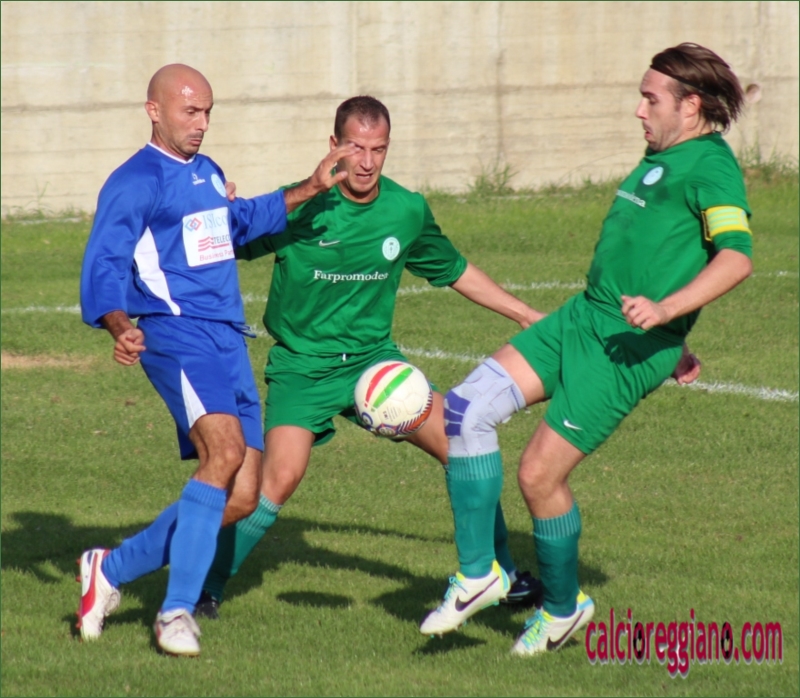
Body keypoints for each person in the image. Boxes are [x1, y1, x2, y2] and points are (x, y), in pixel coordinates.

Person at [420, 42, 752, 655]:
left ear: (691, 106)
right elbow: (659, 250)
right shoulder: (663, 155)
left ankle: (562, 609)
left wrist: (667, 318)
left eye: (651, 99)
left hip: (627, 345)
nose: (639, 110)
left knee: (538, 475)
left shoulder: (712, 167)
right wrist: (673, 328)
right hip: (584, 316)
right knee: (465, 408)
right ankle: (480, 573)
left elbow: (736, 257)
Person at [195, 95, 546, 618]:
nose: (365, 162)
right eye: (354, 147)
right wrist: (216, 209)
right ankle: (205, 590)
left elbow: (455, 269)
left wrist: (523, 314)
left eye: (377, 149)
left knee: (462, 443)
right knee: (277, 480)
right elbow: (220, 242)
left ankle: (500, 574)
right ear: (333, 145)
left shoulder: (406, 210)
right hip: (303, 367)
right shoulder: (301, 204)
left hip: (374, 364)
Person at [77, 63, 358, 657]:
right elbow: (104, 260)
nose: (202, 123)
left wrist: (308, 188)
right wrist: (119, 325)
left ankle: (110, 568)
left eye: (208, 111)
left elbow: (235, 225)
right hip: (175, 332)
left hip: (229, 339)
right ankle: (176, 611)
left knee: (243, 495)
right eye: (190, 111)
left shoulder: (207, 172)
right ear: (154, 111)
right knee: (224, 454)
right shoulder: (134, 181)